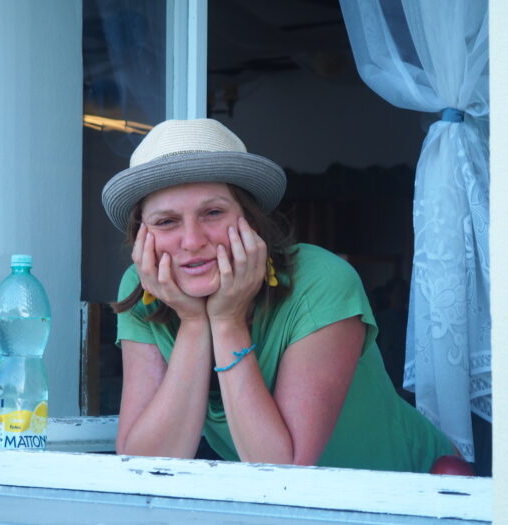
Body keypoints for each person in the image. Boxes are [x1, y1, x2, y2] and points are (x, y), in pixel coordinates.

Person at [101, 118, 458, 472]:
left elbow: (284, 470)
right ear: (142, 237)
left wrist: (226, 321)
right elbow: (143, 464)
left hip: (417, 487)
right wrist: (194, 322)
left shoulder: (322, 280)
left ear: (250, 220)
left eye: (213, 212)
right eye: (166, 221)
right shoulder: (144, 288)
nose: (192, 241)